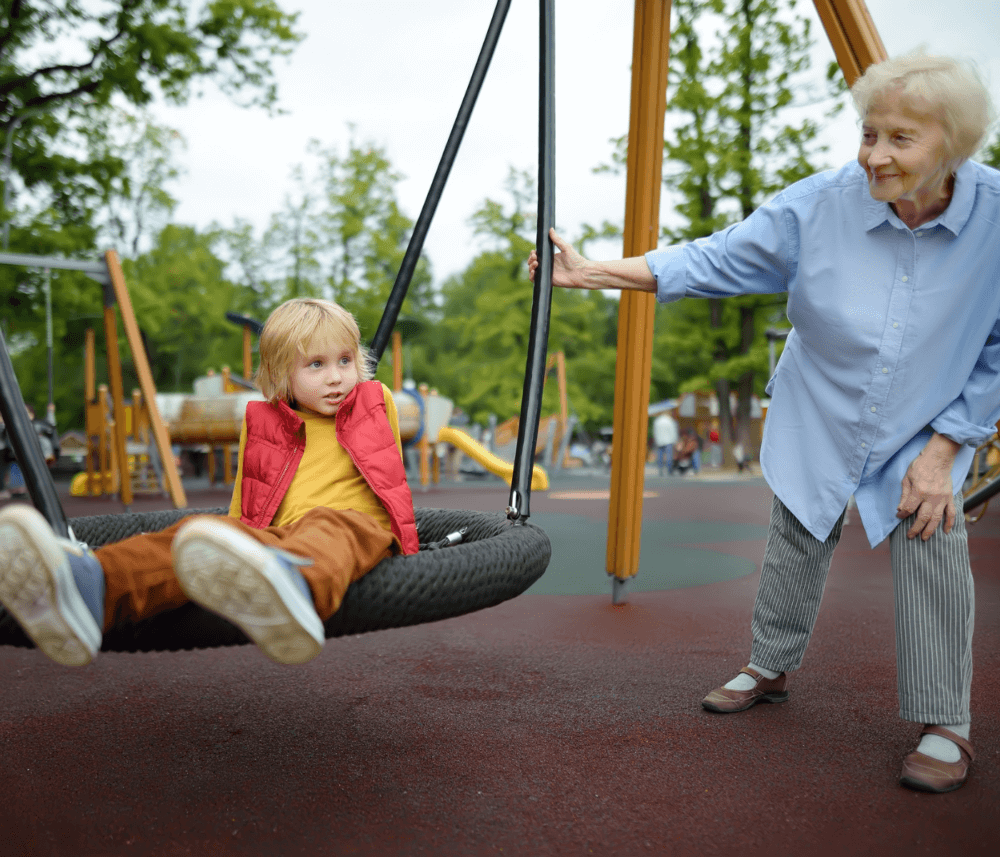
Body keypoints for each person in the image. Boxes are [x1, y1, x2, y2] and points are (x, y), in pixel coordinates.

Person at [528, 52, 999, 793]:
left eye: (900, 139)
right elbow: (718, 258)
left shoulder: (996, 218)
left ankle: (945, 721)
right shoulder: (820, 203)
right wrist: (591, 271)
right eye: (868, 133)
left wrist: (947, 446)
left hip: (930, 408)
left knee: (930, 533)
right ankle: (770, 663)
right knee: (798, 526)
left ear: (955, 146)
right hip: (824, 393)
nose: (875, 154)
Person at [0, 298, 418, 667]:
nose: (335, 377)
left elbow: (390, 473)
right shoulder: (265, 421)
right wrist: (230, 535)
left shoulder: (371, 401)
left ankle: (296, 590)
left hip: (359, 528)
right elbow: (250, 489)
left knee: (329, 527)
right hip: (280, 537)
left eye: (345, 361)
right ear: (279, 373)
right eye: (316, 365)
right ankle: (91, 586)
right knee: (191, 537)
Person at [652, 409, 679, 475]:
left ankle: (660, 469)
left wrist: (656, 439)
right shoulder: (670, 421)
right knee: (669, 455)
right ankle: (669, 470)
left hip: (659, 440)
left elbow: (655, 431)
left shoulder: (657, 421)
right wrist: (675, 440)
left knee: (660, 455)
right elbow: (673, 431)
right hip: (668, 440)